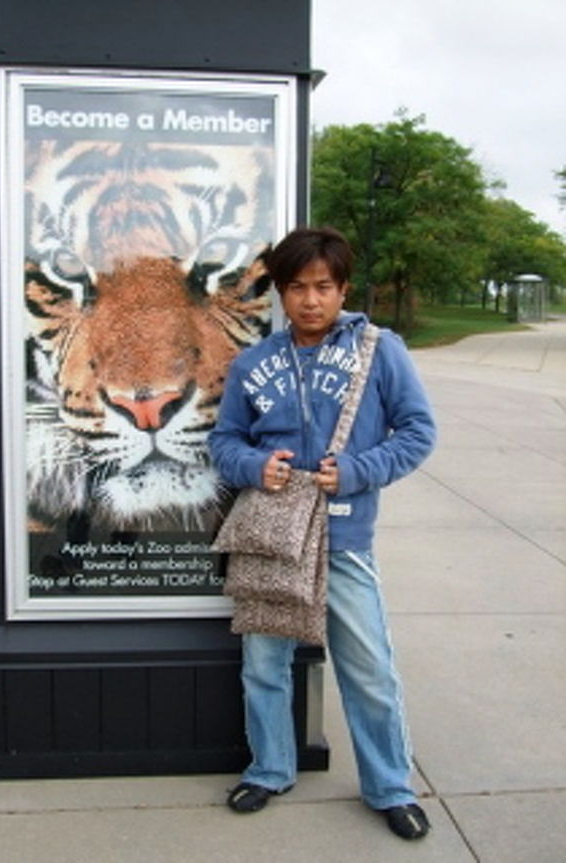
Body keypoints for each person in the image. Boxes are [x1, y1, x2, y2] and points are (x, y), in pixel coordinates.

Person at [208, 226, 436, 841]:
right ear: (281, 294)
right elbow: (222, 442)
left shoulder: (379, 350)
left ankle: (390, 786)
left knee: (369, 670)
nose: (311, 301)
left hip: (344, 541)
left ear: (342, 289)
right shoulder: (254, 364)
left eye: (324, 287)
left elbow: (418, 431)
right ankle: (270, 768)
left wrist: (359, 470)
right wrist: (257, 466)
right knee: (264, 663)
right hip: (274, 540)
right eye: (298, 288)